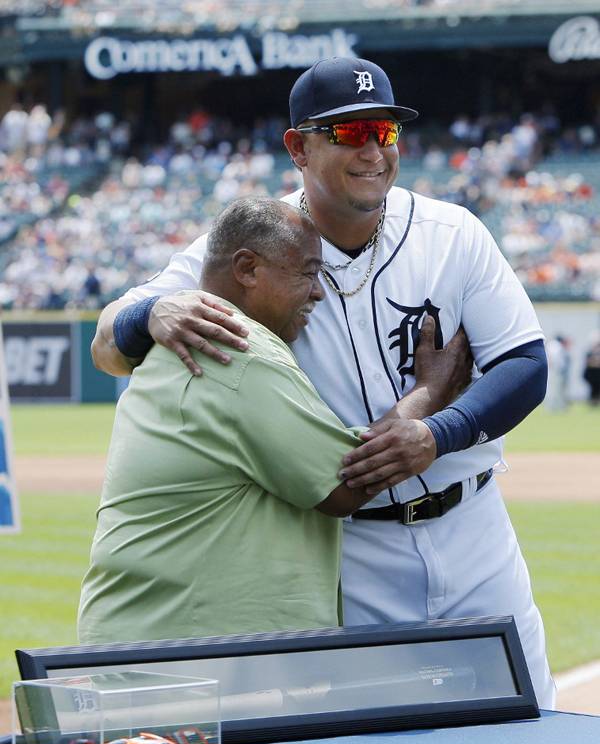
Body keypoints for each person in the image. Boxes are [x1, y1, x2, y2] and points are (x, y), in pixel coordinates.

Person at [91, 57, 555, 707]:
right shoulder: (258, 243)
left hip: (474, 528)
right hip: (354, 551)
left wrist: (436, 432)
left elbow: (526, 365)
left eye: (384, 132)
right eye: (348, 133)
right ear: (297, 148)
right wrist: (152, 309)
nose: (372, 149)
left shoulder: (453, 235)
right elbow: (107, 343)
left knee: (527, 736)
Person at [79, 197, 466, 644]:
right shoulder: (237, 351)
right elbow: (345, 484)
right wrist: (428, 394)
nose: (318, 292)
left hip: (151, 648)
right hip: (187, 664)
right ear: (247, 269)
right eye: (306, 273)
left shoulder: (181, 336)